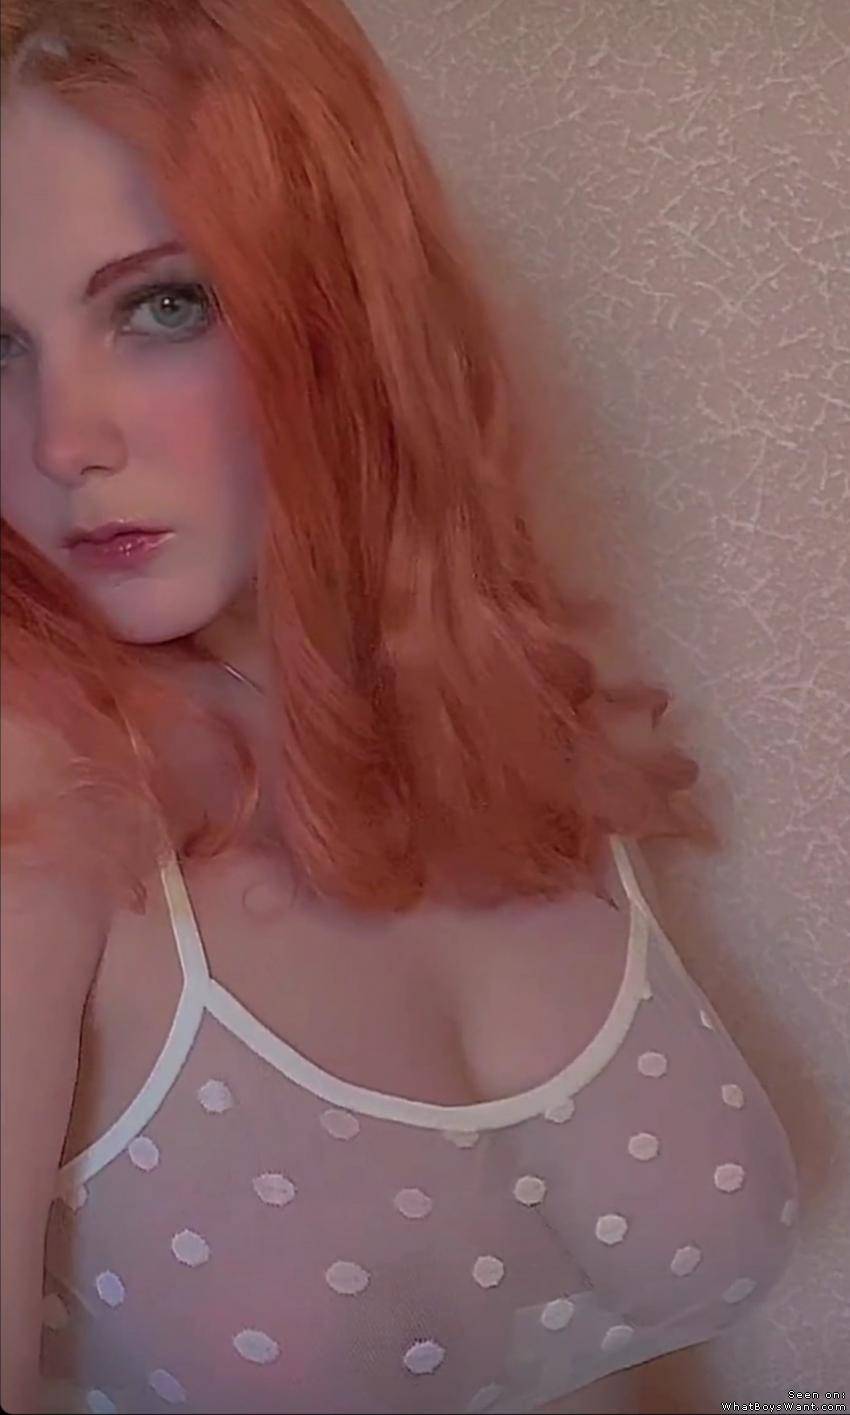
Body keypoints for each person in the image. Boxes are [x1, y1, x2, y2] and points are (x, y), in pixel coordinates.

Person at [0, 4, 799, 1413]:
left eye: (163, 305)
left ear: (342, 307)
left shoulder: (522, 716)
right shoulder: (38, 801)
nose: (65, 439)